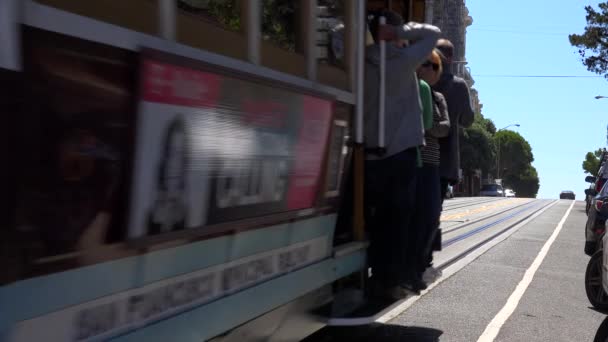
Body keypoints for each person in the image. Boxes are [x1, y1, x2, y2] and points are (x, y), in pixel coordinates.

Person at [363, 10, 441, 298]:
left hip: (369, 156)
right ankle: (390, 279)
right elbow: (432, 33)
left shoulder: (362, 61)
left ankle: (375, 272)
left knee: (376, 219)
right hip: (400, 156)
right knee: (397, 220)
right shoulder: (402, 61)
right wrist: (403, 33)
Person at [413, 50, 451, 287]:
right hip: (413, 160)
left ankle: (421, 262)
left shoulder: (437, 97)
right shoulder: (413, 89)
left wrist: (429, 128)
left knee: (430, 216)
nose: (433, 71)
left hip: (430, 163)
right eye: (430, 66)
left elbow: (444, 127)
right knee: (416, 215)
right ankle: (413, 265)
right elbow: (432, 125)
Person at [434, 39, 475, 200]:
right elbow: (467, 120)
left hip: (418, 155)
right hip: (445, 159)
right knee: (434, 209)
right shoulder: (458, 86)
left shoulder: (422, 80)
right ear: (451, 58)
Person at [148, 116, 189, 235]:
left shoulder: (185, 216)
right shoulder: (152, 215)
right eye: (170, 152)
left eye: (180, 154)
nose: (174, 163)